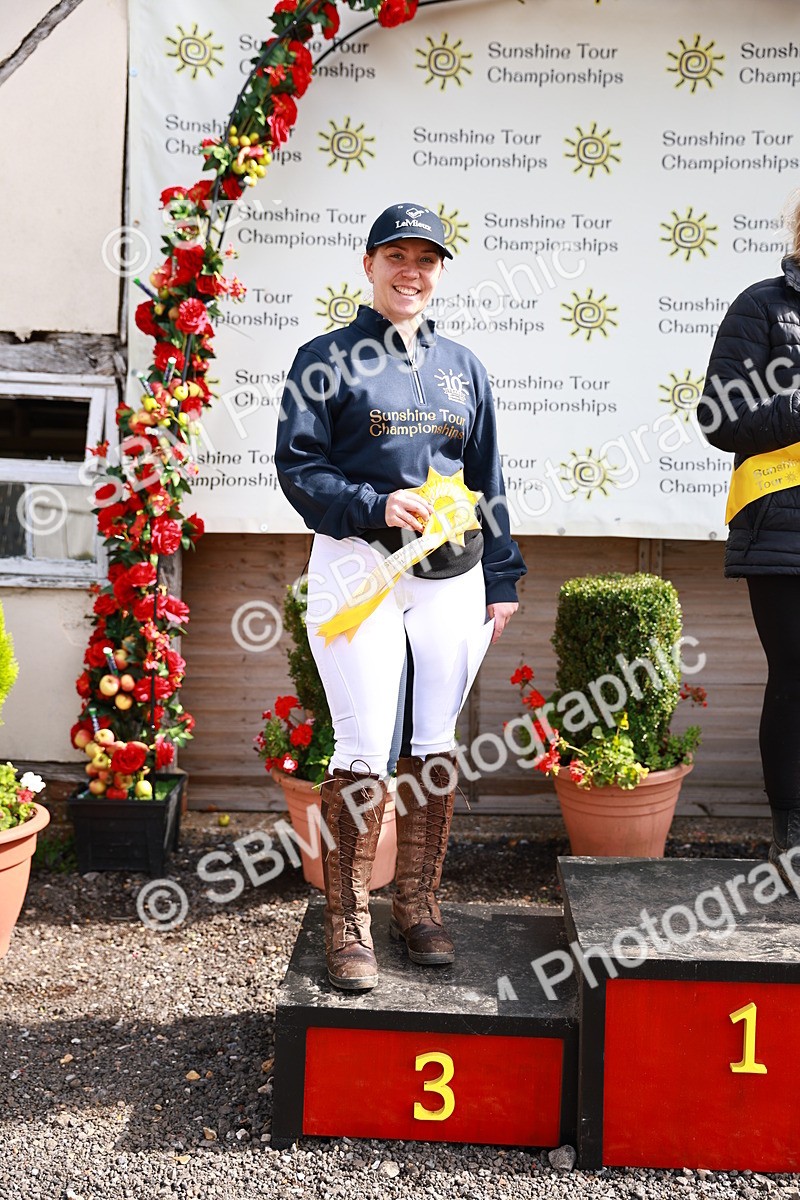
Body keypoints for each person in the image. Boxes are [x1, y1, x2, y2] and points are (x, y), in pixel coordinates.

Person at [275, 201, 526, 989]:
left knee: (433, 744)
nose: (411, 271)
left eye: (426, 259)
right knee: (361, 747)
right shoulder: (324, 357)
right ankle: (346, 922)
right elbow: (298, 469)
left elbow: (487, 480)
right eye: (396, 256)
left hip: (451, 576)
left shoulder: (464, 366)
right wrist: (372, 505)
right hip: (358, 569)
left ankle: (418, 905)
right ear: (369, 265)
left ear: (440, 271)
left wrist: (504, 575)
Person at [698, 194, 800, 880]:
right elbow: (719, 414)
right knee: (796, 678)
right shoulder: (763, 306)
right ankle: (791, 839)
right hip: (785, 529)